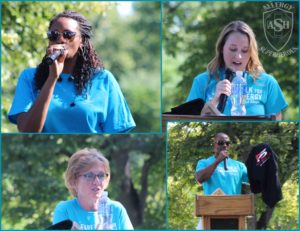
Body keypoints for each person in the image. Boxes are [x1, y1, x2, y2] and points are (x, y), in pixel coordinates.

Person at [8, 11, 135, 133]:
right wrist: (52, 77)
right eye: (54, 35)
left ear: (82, 42)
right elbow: (27, 131)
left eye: (68, 34)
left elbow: (115, 134)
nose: (61, 39)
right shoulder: (29, 77)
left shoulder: (103, 79)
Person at [187, 20, 288, 120]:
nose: (238, 56)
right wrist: (215, 100)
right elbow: (188, 119)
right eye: (233, 49)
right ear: (222, 48)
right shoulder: (202, 81)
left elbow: (275, 122)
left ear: (251, 52)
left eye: (245, 50)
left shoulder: (268, 83)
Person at [53, 148, 134, 230]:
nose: (96, 181)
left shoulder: (116, 209)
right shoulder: (65, 209)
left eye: (101, 175)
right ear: (73, 180)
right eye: (89, 176)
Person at [195, 132, 248, 229]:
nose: (224, 145)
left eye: (227, 143)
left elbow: (254, 180)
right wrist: (218, 161)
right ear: (214, 145)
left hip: (234, 214)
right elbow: (199, 178)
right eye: (220, 142)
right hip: (210, 213)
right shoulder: (204, 162)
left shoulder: (239, 166)